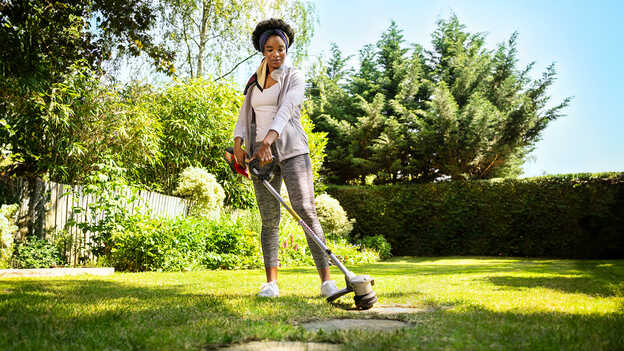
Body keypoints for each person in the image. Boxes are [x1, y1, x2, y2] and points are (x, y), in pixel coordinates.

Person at [232, 18, 339, 298]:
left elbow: (287, 110)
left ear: (286, 47)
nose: (276, 54)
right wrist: (239, 143)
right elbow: (244, 117)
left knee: (305, 209)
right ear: (262, 51)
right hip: (260, 154)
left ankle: (327, 281)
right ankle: (271, 284)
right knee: (269, 219)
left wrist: (269, 140)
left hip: (291, 149)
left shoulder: (295, 76)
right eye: (269, 48)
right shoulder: (253, 82)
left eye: (280, 48)